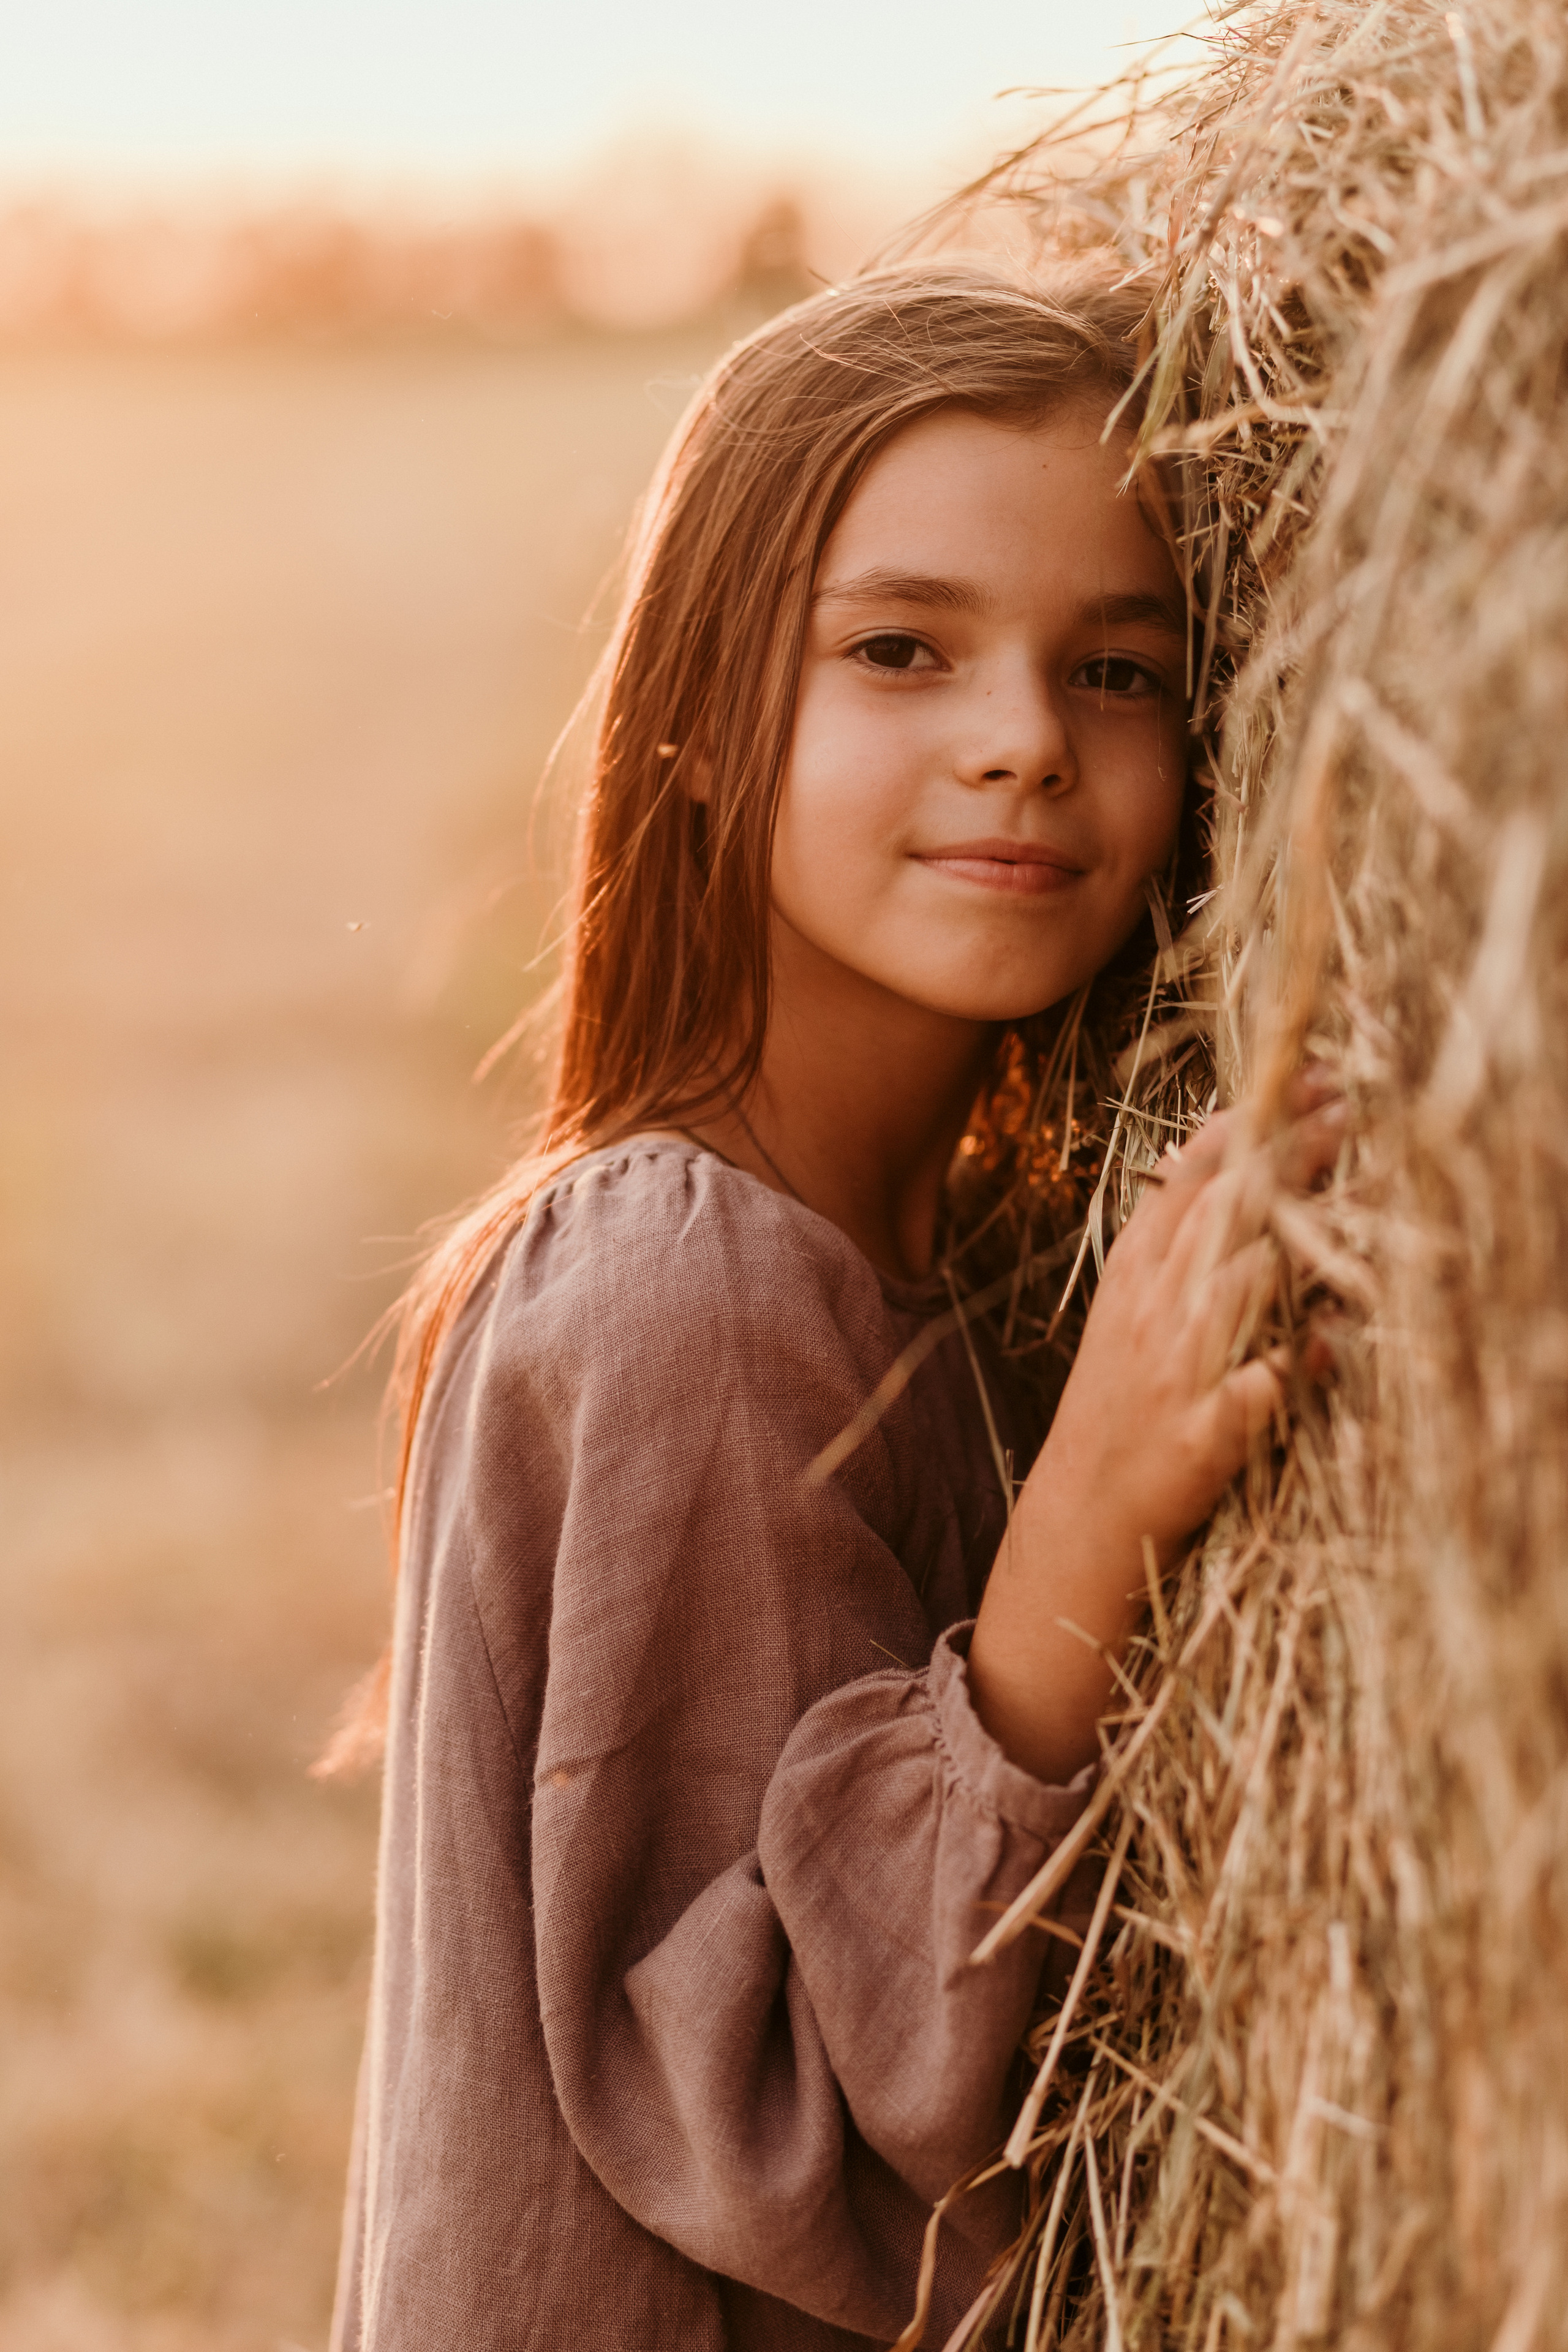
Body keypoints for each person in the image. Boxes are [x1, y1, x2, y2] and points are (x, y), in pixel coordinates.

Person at [326, 263, 1342, 2351]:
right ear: (701, 719)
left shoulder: (925, 1265)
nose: (1022, 746)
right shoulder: (684, 1288)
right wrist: (1081, 1534)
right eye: (902, 650)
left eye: (1120, 671)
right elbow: (789, 2106)